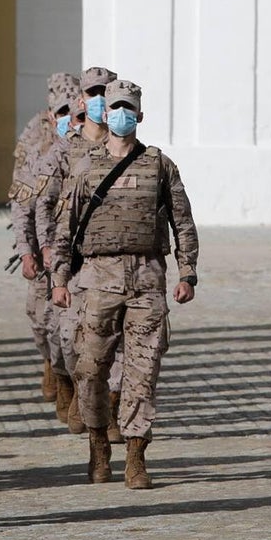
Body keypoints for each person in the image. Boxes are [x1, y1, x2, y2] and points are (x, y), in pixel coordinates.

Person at [51, 79, 199, 489]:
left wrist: (187, 272)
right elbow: (64, 228)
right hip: (97, 281)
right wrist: (59, 279)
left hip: (148, 278)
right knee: (90, 369)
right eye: (114, 107)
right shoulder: (86, 167)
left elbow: (182, 222)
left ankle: (136, 453)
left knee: (142, 371)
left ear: (139, 115)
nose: (120, 114)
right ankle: (99, 444)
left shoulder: (159, 165)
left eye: (127, 108)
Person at [35, 67, 127, 438]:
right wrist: (44, 248)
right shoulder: (64, 150)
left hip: (115, 262)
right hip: (72, 261)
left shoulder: (129, 149)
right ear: (81, 100)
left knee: (118, 340)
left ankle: (114, 410)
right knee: (72, 339)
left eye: (107, 92)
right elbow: (43, 203)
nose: (101, 99)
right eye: (94, 92)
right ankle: (78, 389)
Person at [8, 72, 80, 403]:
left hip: (80, 255)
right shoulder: (37, 152)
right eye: (63, 113)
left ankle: (78, 384)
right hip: (44, 251)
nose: (71, 120)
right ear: (52, 116)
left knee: (77, 325)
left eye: (76, 113)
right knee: (43, 322)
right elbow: (23, 205)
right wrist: (27, 251)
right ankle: (55, 365)